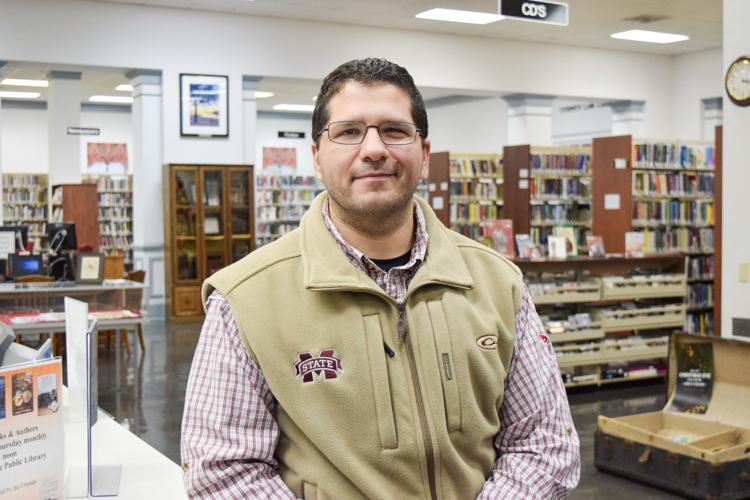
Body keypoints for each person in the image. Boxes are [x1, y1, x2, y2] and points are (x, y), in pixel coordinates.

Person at [181, 57, 580, 499]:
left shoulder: (498, 284)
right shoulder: (245, 299)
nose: (373, 149)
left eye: (394, 130)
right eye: (349, 132)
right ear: (317, 156)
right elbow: (223, 472)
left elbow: (544, 445)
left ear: (424, 155)